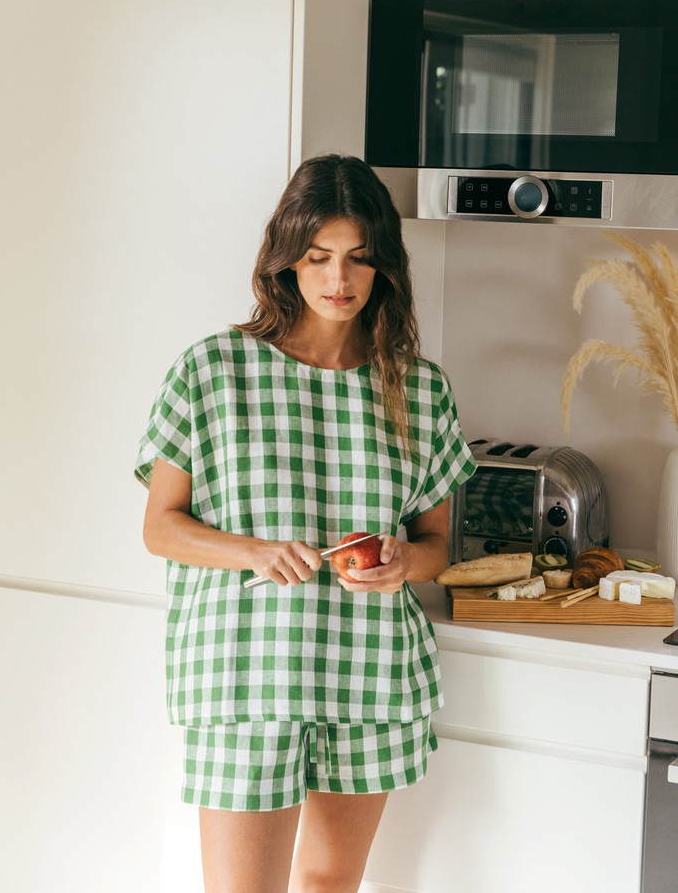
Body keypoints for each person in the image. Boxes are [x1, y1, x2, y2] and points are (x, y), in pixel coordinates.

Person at [135, 153, 476, 893]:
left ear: (383, 265)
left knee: (330, 884)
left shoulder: (418, 389)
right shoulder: (214, 369)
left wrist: (400, 562)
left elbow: (438, 547)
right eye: (318, 257)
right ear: (286, 260)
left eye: (358, 258)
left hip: (369, 673)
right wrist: (254, 550)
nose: (338, 279)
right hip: (245, 671)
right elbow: (160, 526)